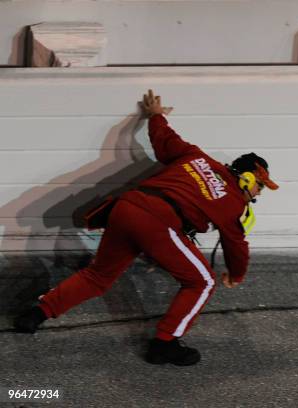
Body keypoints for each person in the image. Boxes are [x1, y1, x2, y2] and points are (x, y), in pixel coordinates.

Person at [13, 90, 279, 366]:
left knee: (98, 275)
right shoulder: (233, 201)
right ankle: (165, 343)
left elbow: (164, 140)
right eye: (260, 187)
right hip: (159, 224)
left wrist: (155, 115)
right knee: (203, 282)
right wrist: (236, 274)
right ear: (248, 179)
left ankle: (37, 313)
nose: (258, 195)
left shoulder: (196, 157)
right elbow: (235, 244)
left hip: (126, 208)